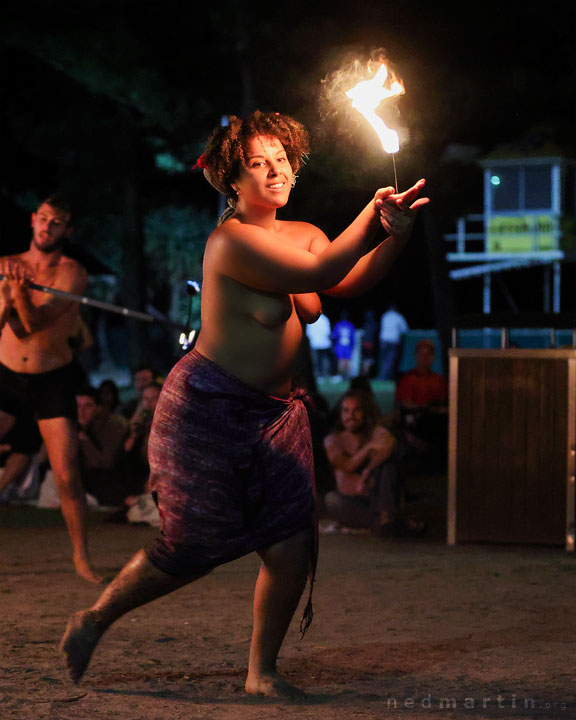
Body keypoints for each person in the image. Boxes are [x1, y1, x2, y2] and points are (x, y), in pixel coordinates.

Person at [59, 110, 428, 697]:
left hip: (275, 415)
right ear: (234, 179)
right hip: (206, 407)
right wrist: (373, 213)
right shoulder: (231, 241)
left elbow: (346, 280)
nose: (275, 171)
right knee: (192, 544)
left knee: (289, 543)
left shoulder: (302, 231)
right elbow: (323, 267)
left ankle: (261, 673)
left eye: (282, 160)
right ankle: (94, 619)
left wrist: (396, 237)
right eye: (258, 163)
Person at [0, 194, 101, 583]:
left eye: (56, 222)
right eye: (43, 219)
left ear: (67, 230)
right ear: (32, 220)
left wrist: (20, 294)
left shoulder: (72, 274)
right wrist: (7, 296)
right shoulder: (9, 267)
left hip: (52, 378)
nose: (47, 227)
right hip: (7, 375)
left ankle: (82, 557)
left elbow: (34, 325)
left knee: (66, 474)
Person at [323, 389, 425, 536]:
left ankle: (386, 518)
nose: (351, 416)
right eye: (346, 411)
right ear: (340, 414)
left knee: (387, 466)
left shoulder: (376, 432)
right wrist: (368, 448)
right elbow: (347, 465)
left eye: (356, 410)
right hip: (353, 500)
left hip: (378, 496)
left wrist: (368, 469)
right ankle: (388, 522)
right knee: (331, 500)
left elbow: (389, 445)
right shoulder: (333, 440)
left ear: (365, 413)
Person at [395, 339, 448, 467]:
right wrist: (424, 408)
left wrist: (435, 409)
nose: (424, 358)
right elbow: (404, 403)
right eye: (421, 354)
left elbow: (445, 404)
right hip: (415, 420)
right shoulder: (408, 378)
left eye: (428, 355)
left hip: (435, 421)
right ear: (416, 356)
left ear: (433, 357)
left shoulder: (438, 380)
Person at [76, 387, 128, 506]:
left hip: (107, 486)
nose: (81, 411)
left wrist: (83, 438)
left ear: (98, 409)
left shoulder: (112, 425)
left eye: (88, 406)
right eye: (77, 406)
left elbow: (105, 463)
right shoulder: (71, 426)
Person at [378, 303, 408, 380]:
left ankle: (383, 376)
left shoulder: (385, 316)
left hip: (383, 340)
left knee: (384, 359)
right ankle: (385, 377)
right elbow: (405, 330)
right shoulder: (398, 317)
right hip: (393, 341)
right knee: (390, 360)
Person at [305, 312, 332, 380]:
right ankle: (324, 374)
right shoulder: (325, 319)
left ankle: (317, 375)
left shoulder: (311, 319)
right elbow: (328, 332)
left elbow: (308, 333)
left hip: (315, 344)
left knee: (316, 361)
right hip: (324, 343)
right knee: (323, 360)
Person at [331, 311, 356, 379]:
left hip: (340, 345)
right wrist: (352, 346)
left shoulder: (338, 325)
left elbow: (334, 336)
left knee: (341, 361)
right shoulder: (350, 325)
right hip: (347, 345)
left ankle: (342, 376)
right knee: (347, 361)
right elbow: (352, 338)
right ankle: (347, 376)